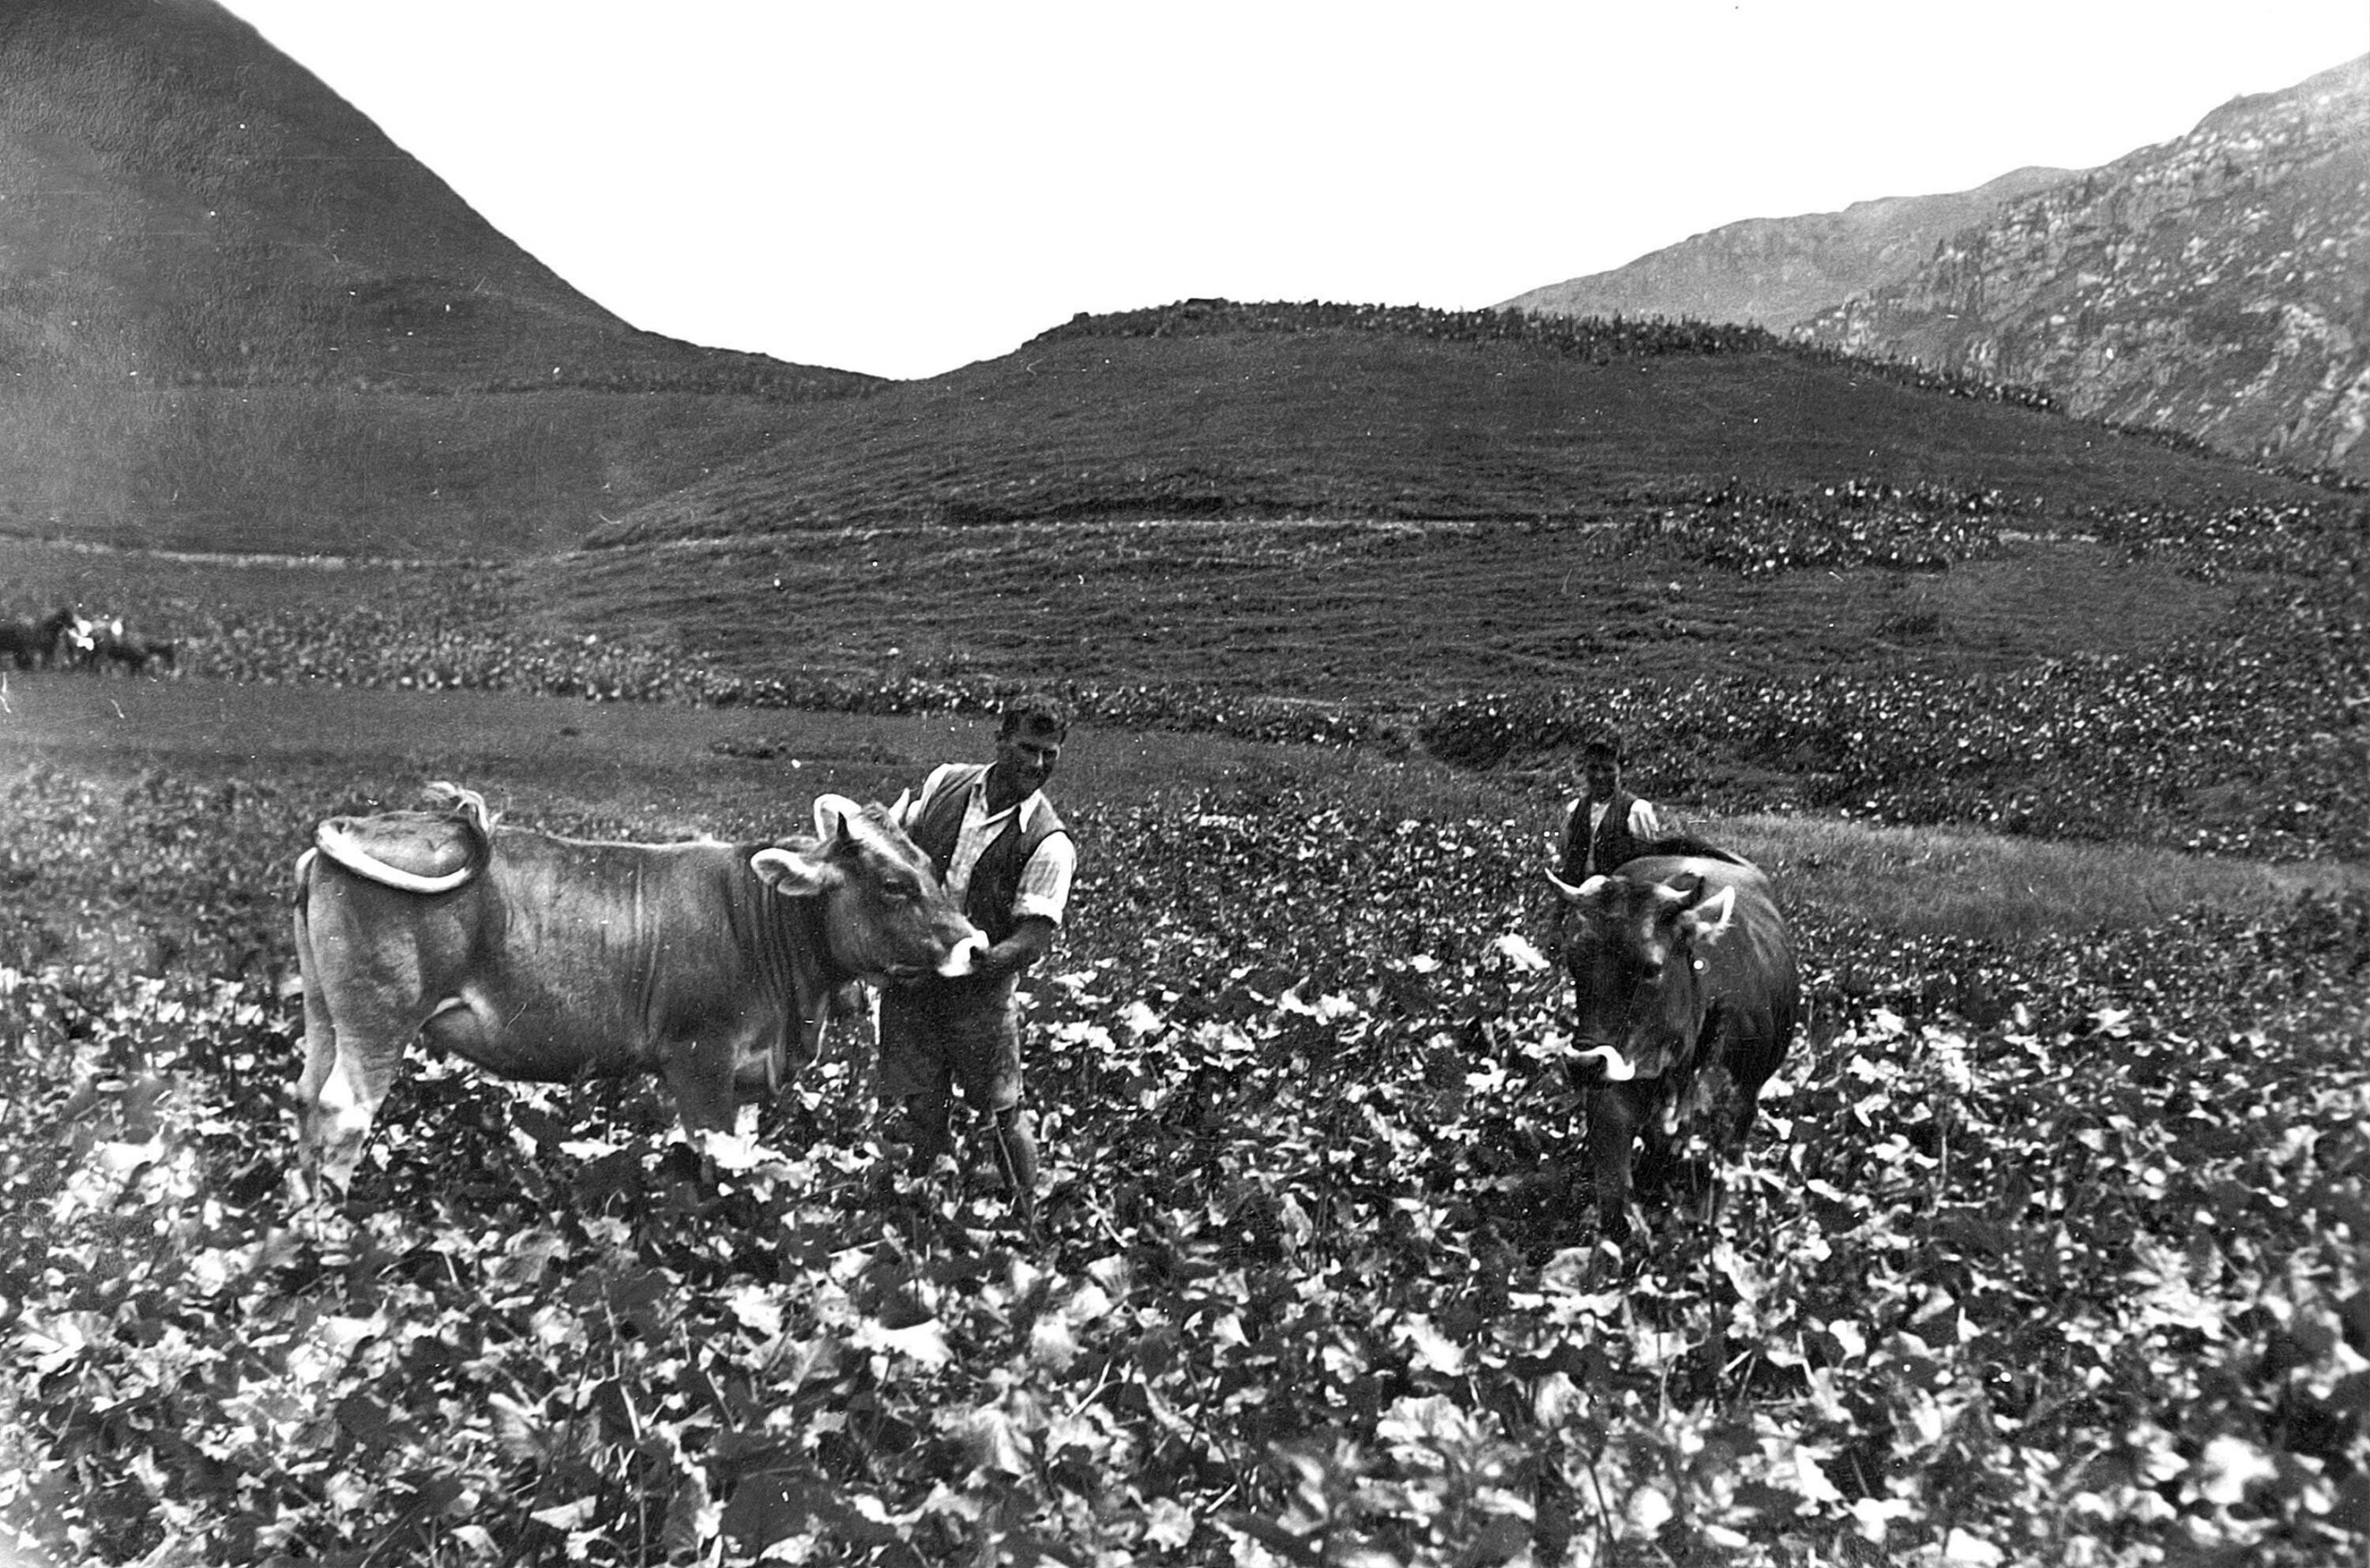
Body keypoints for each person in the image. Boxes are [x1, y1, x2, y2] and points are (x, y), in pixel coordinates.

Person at [878, 692, 1078, 1224]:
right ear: (1000, 740)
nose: (1037, 764)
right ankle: (926, 1206)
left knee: (1003, 1112)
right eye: (1027, 748)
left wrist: (981, 959)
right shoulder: (944, 784)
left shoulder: (1049, 843)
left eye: (1049, 754)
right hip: (914, 982)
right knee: (923, 1104)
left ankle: (1027, 1215)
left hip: (980, 998)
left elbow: (1032, 939)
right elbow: (896, 846)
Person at [1555, 737, 1663, 883]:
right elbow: (1567, 857)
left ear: (1620, 772)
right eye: (1593, 768)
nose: (1599, 776)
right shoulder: (1575, 809)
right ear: (1583, 769)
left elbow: (1648, 867)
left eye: (1608, 769)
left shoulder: (1636, 810)